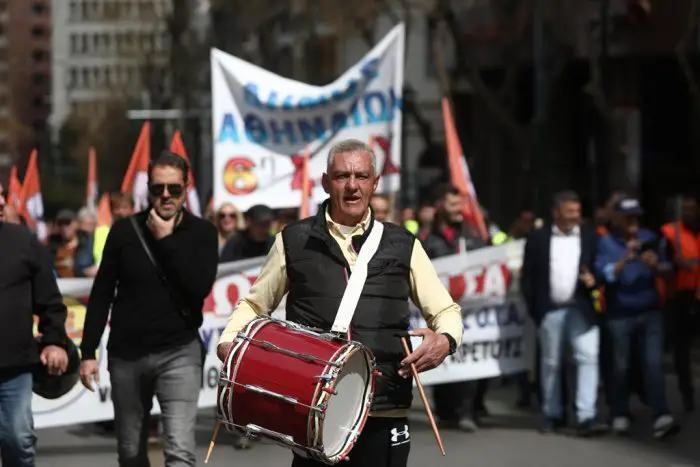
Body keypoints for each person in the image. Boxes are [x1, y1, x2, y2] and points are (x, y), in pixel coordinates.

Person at [216, 139, 463, 467]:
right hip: (313, 411)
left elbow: (446, 311)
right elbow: (254, 304)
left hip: (384, 407)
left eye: (361, 177)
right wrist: (230, 342)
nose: (352, 186)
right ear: (325, 182)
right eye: (341, 176)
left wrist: (445, 340)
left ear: (375, 183)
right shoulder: (293, 240)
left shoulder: (403, 244)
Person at [79, 152, 219, 467]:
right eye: (158, 189)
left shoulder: (203, 234)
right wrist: (88, 352)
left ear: (186, 187)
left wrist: (166, 242)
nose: (166, 196)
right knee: (130, 454)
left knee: (180, 452)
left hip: (179, 354)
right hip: (127, 356)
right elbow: (102, 293)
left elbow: (198, 288)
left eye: (174, 188)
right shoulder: (124, 232)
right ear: (148, 189)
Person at [520, 190, 605, 436]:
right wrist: (537, 309)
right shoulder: (538, 238)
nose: (574, 217)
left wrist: (593, 279)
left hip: (581, 308)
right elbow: (528, 278)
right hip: (551, 310)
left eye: (577, 213)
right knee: (551, 363)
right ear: (556, 212)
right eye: (569, 212)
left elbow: (600, 266)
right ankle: (552, 413)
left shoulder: (590, 237)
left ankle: (586, 415)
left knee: (588, 357)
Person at [595, 196, 679, 438]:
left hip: (650, 311)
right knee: (621, 365)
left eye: (636, 217)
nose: (633, 222)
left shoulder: (650, 238)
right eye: (628, 217)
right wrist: (625, 259)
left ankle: (661, 414)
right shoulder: (606, 243)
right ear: (617, 219)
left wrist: (655, 266)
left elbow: (667, 270)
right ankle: (619, 413)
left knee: (653, 364)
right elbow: (605, 274)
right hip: (619, 314)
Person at [0, 182, 70, 466]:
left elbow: (50, 299)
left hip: (15, 366)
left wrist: (54, 340)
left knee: (17, 438)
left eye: (0, 194)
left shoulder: (24, 241)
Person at [419, 183, 487, 431]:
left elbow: (485, 258)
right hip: (438, 309)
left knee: (468, 360)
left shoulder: (470, 233)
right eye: (452, 204)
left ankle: (467, 410)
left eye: (460, 204)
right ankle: (445, 410)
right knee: (442, 355)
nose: (458, 209)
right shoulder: (428, 237)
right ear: (440, 206)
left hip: (468, 309)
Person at [661, 193, 700, 412]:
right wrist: (672, 266)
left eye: (693, 208)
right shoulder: (669, 233)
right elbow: (663, 262)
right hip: (681, 297)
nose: (689, 213)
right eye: (685, 209)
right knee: (682, 349)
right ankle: (687, 394)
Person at [47, 209, 96, 278]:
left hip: (83, 285)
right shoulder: (52, 247)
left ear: (76, 224)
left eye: (67, 223)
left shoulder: (88, 244)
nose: (64, 227)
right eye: (60, 223)